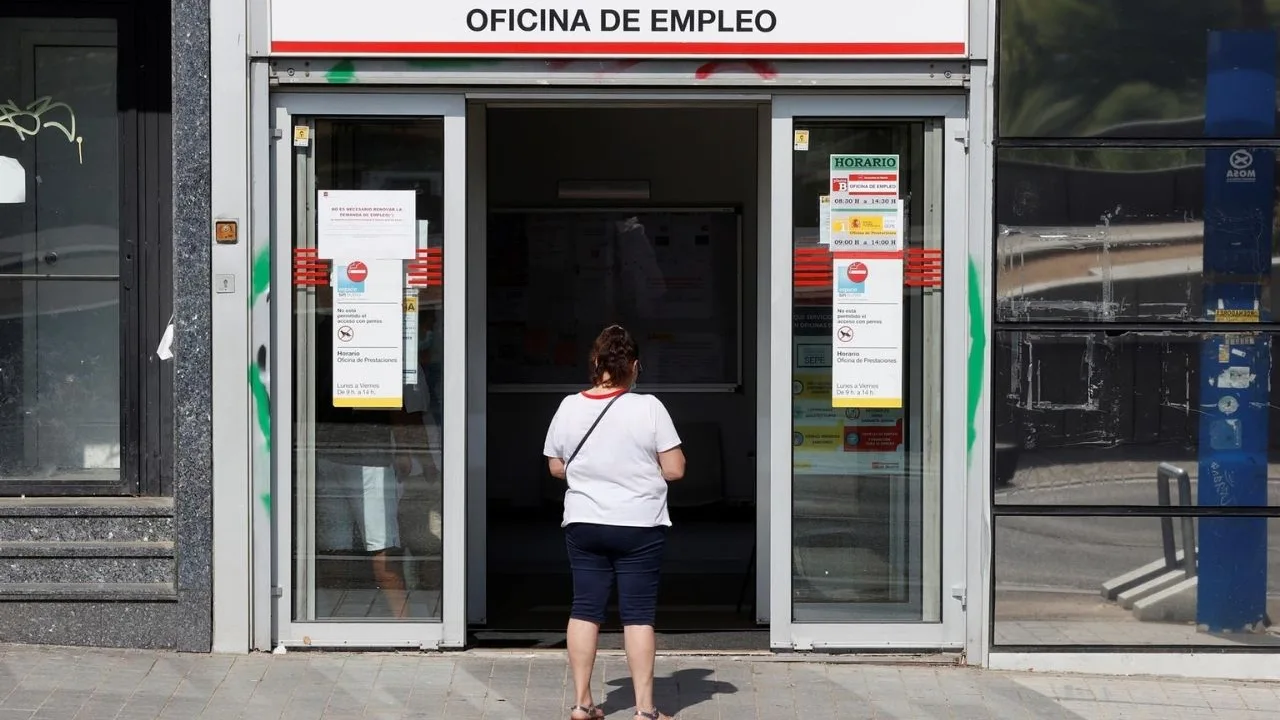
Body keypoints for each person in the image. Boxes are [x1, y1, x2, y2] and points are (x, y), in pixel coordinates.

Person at [543, 325, 686, 720]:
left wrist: (593, 475)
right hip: (639, 524)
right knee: (638, 615)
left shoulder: (569, 406)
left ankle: (582, 703)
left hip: (585, 521)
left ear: (595, 364)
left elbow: (556, 466)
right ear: (634, 367)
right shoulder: (649, 407)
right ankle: (644, 710)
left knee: (585, 608)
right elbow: (674, 470)